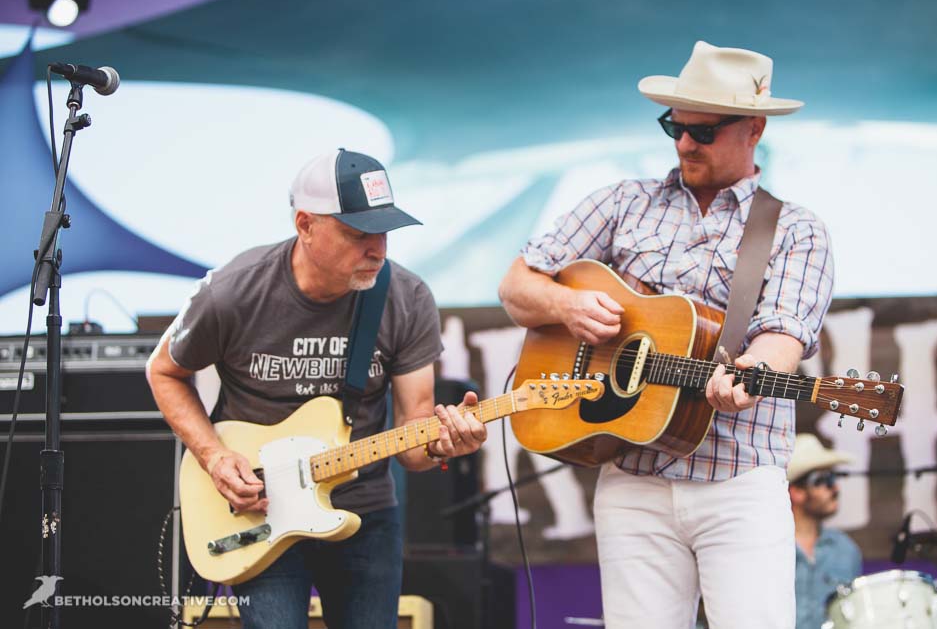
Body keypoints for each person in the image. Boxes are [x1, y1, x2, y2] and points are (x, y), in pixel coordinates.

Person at [498, 41, 834, 629]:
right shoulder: (621, 202)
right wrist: (567, 304)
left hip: (739, 479)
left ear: (753, 129)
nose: (683, 143)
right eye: (673, 126)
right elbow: (517, 284)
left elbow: (783, 335)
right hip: (632, 477)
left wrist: (751, 373)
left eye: (702, 132)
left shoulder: (796, 230)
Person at [146, 148, 487, 629]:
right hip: (257, 509)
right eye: (357, 235)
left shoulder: (406, 297)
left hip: (364, 512)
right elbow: (164, 372)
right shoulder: (234, 291)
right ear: (305, 225)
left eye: (384, 232)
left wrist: (442, 445)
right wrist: (215, 457)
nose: (378, 250)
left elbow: (414, 439)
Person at [787, 434, 862, 629]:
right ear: (796, 492)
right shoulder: (767, 546)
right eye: (824, 480)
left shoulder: (846, 549)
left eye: (834, 478)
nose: (835, 487)